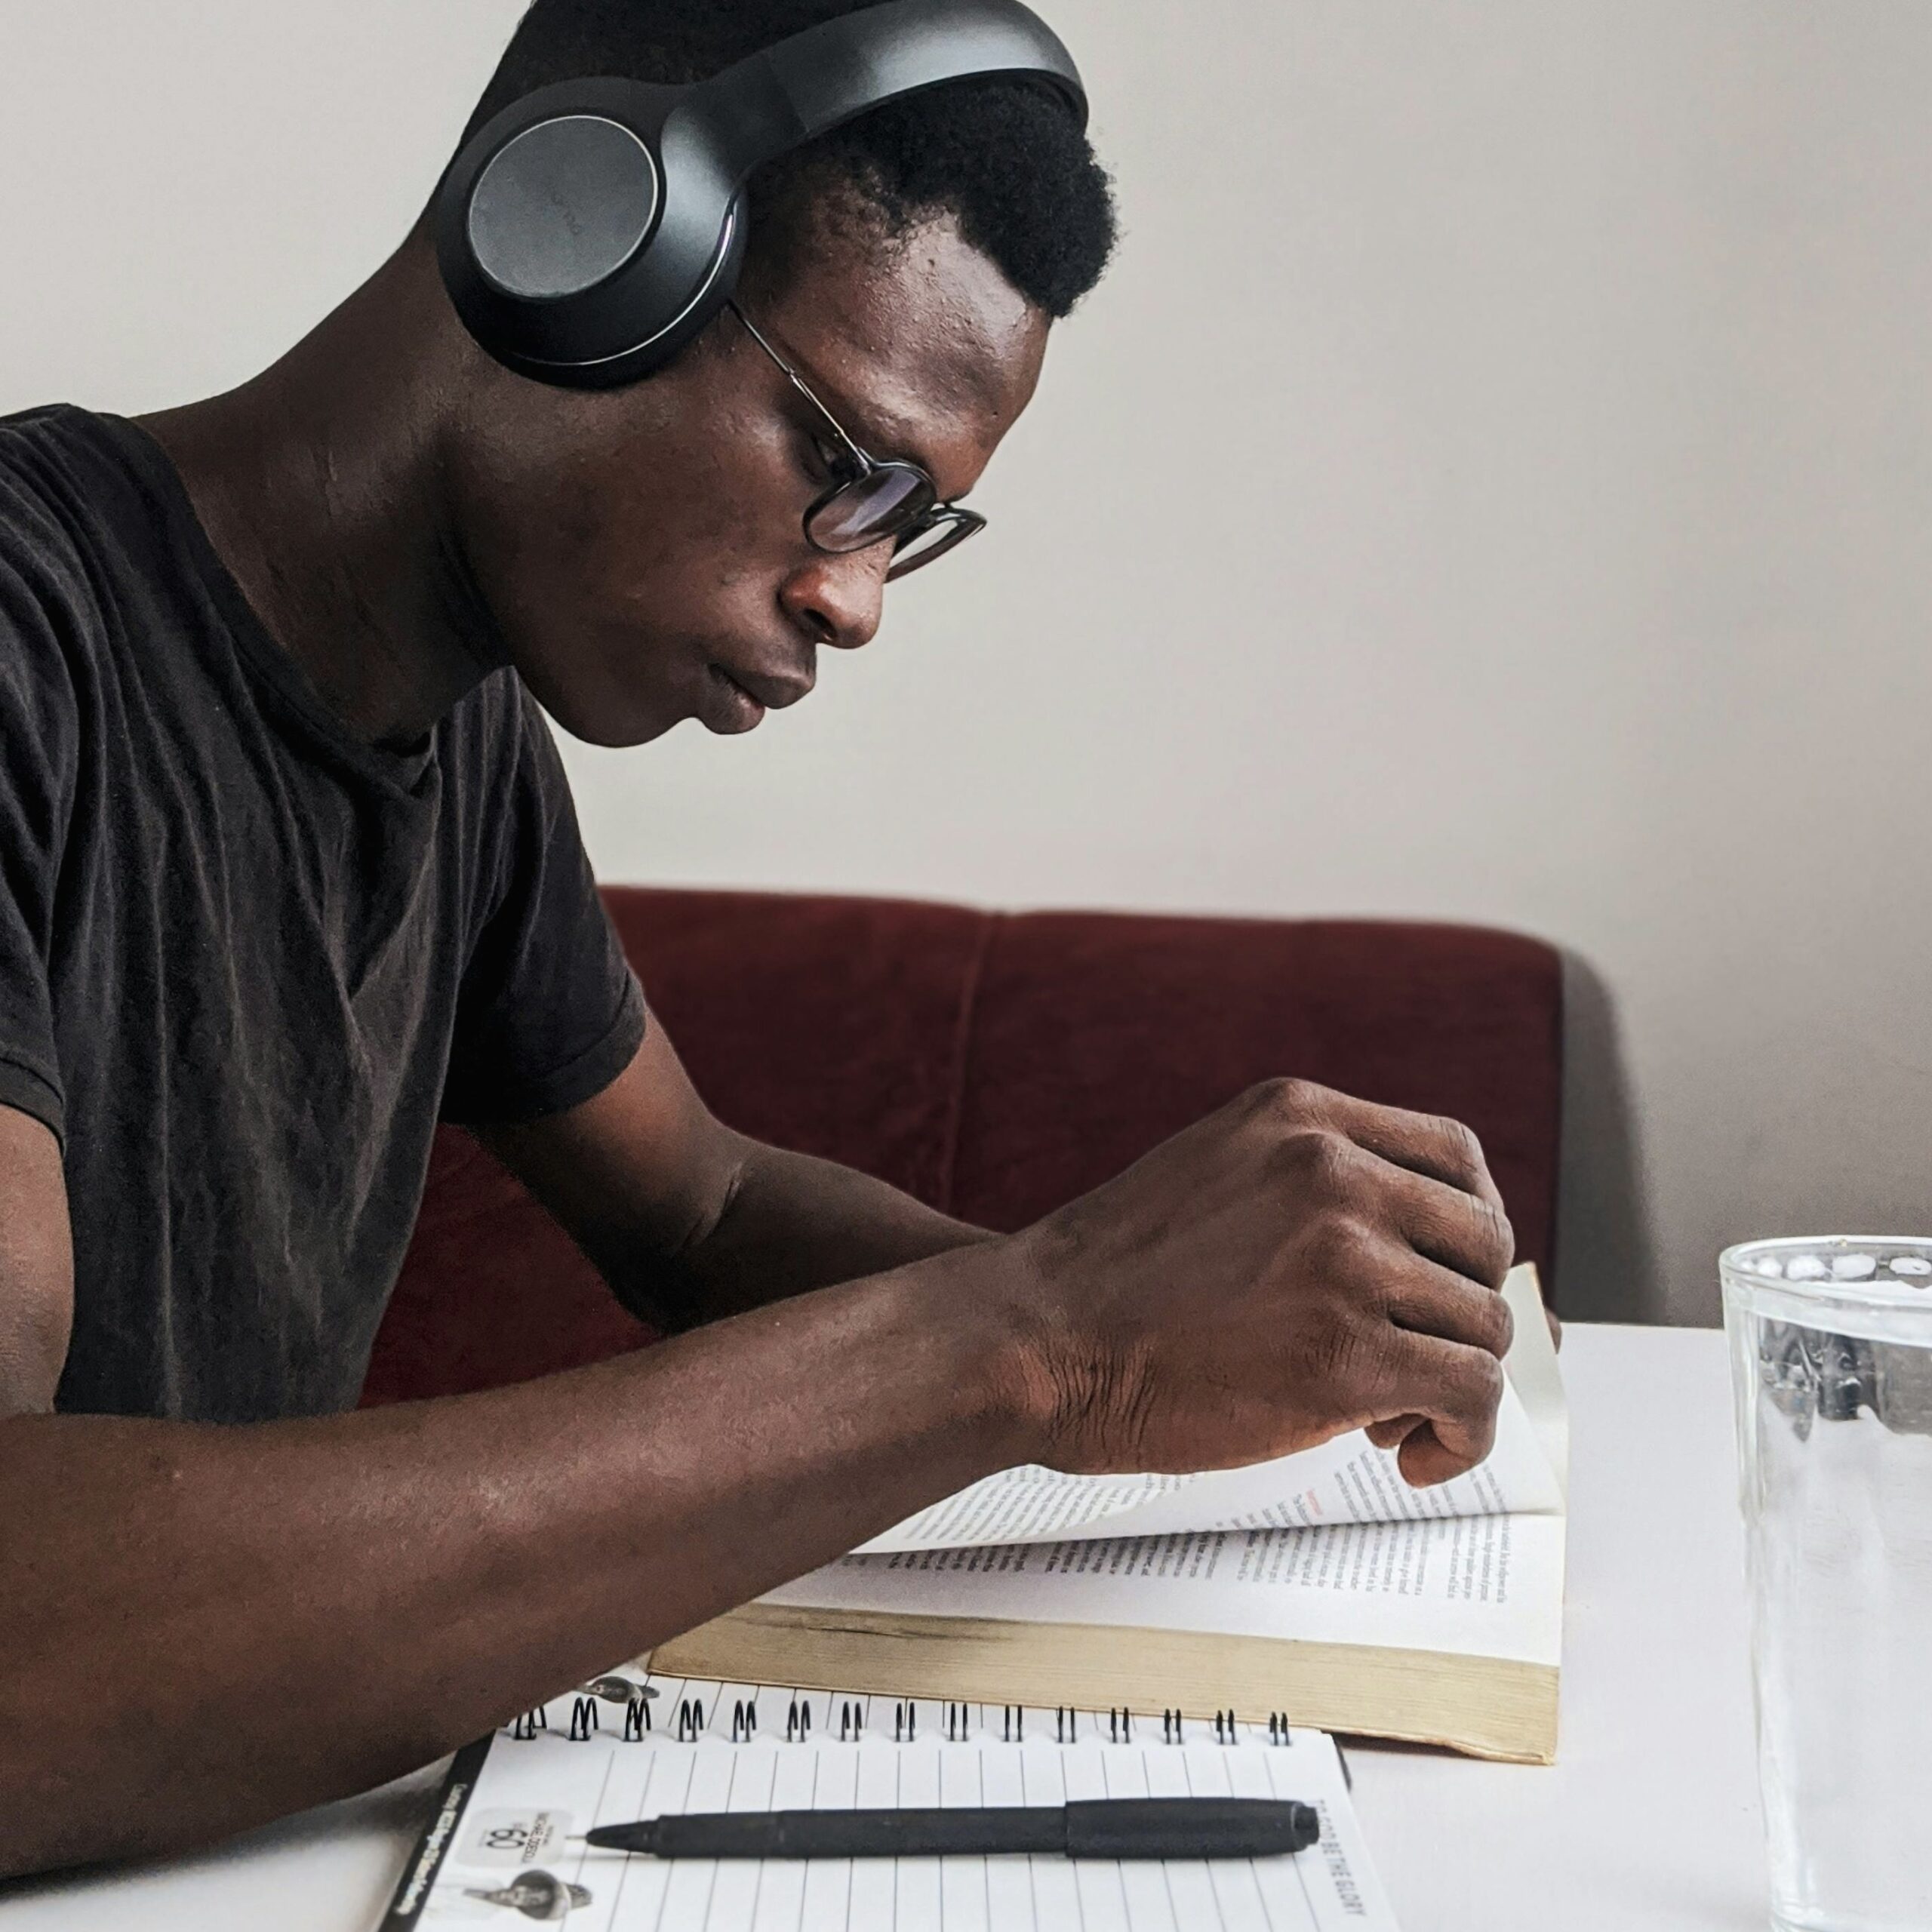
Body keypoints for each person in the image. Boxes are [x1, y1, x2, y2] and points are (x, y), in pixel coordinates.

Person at [0, 0, 1520, 1881]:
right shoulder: (27, 646)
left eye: (917, 528)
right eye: (849, 466)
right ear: (570, 235)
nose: (855, 598)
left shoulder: (460, 737)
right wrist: (1036, 1336)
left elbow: (699, 1213)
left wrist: (1166, 1332)